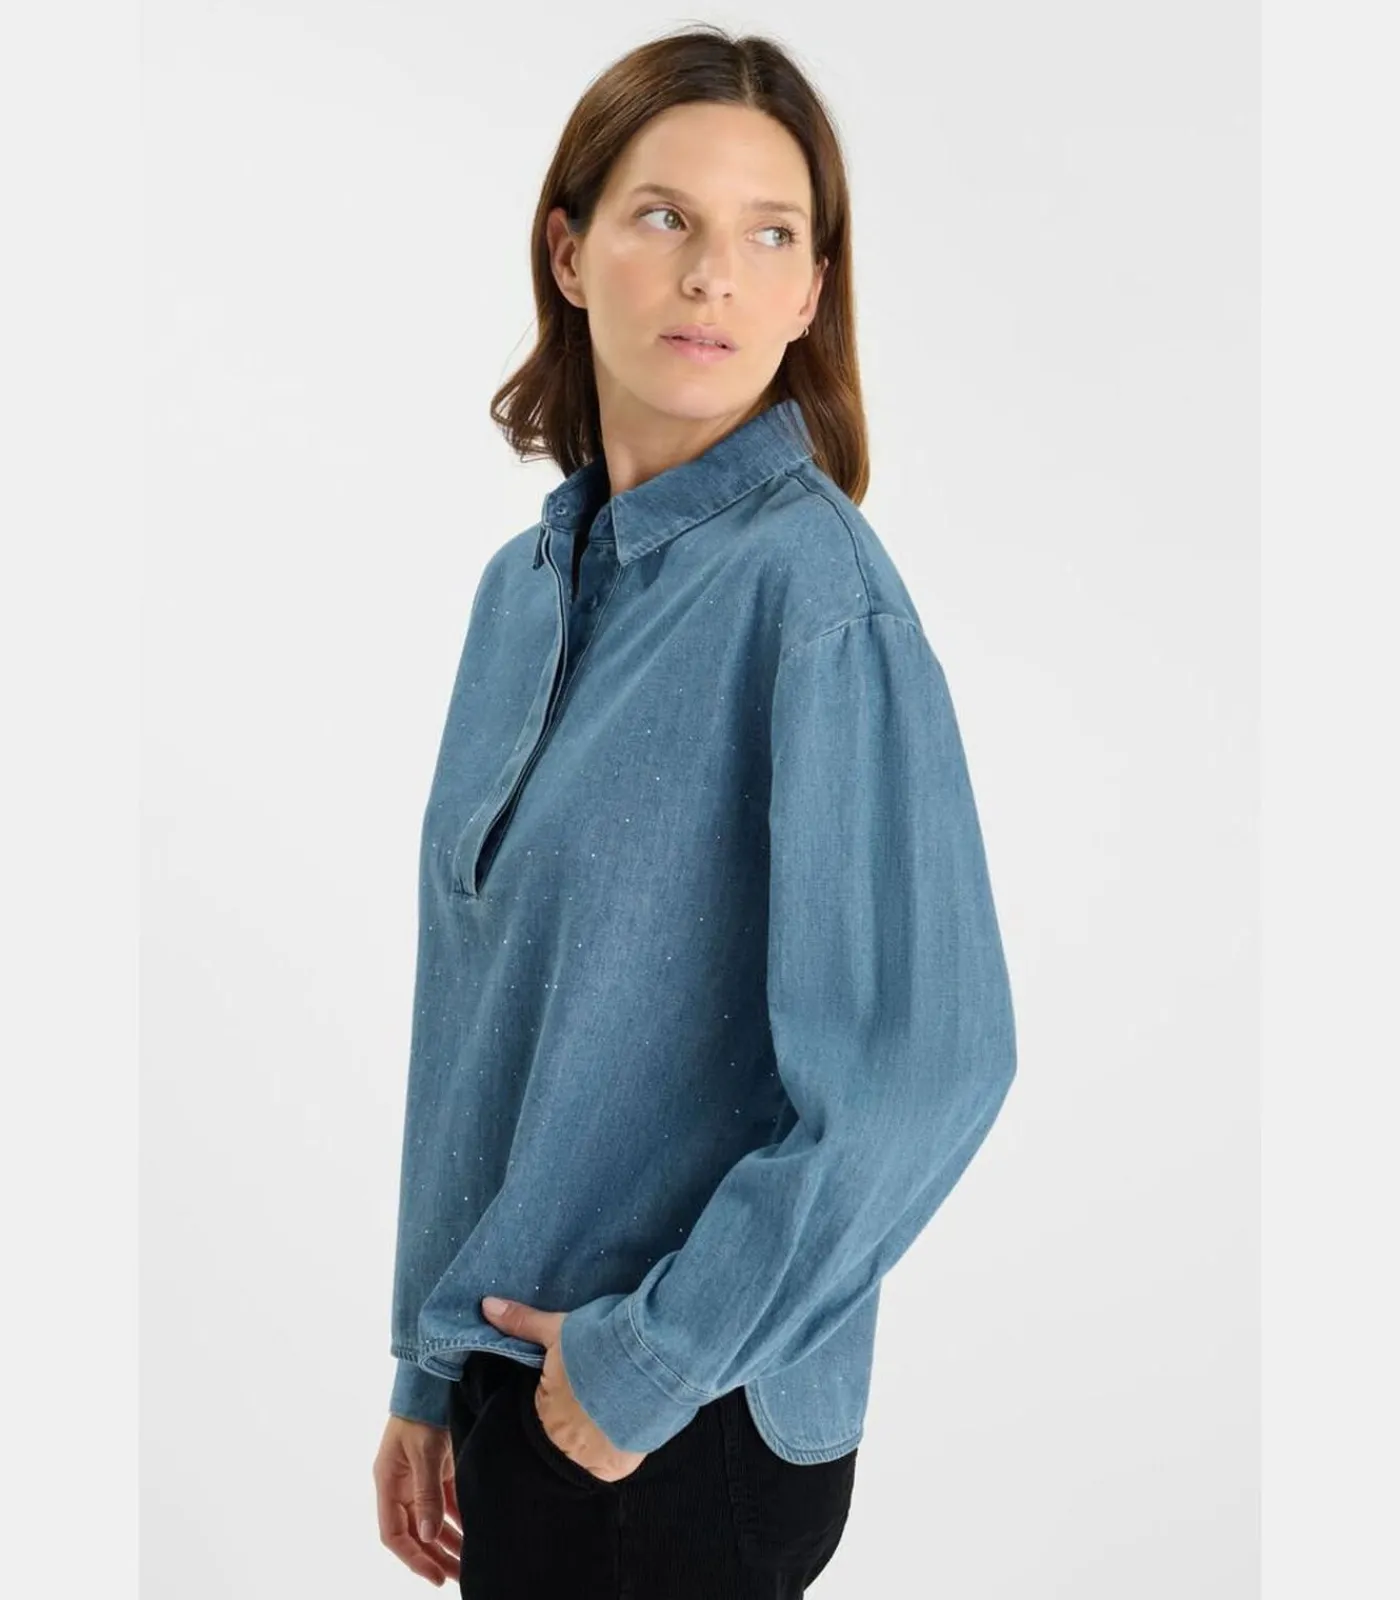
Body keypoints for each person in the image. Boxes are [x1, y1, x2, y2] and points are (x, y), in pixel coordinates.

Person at [372, 23, 1018, 1598]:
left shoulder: (819, 603)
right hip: (520, 1390)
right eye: (665, 216)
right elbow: (477, 1013)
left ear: (811, 294)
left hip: (678, 1429)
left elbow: (925, 1072)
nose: (714, 274)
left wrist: (645, 1369)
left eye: (770, 235)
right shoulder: (521, 596)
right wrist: (425, 1364)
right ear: (569, 252)